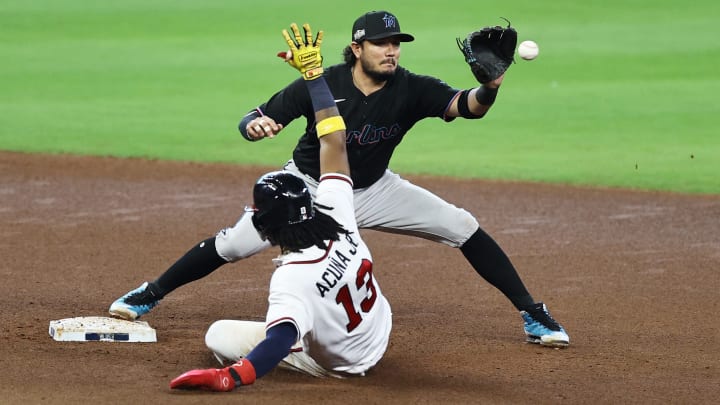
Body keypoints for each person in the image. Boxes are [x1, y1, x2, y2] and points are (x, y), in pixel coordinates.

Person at [110, 10, 569, 348]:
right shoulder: (324, 82)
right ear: (357, 49)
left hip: (375, 189)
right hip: (309, 191)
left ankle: (534, 314)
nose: (391, 50)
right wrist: (256, 127)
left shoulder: (412, 86)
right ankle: (150, 294)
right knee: (233, 245)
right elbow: (255, 117)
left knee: (462, 226)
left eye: (397, 43)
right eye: (381, 43)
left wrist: (490, 88)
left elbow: (464, 107)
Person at [169, 23, 391, 391]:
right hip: (379, 328)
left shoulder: (291, 279)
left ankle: (316, 358)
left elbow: (279, 340)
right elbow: (334, 141)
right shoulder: (337, 211)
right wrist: (315, 77)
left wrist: (231, 376)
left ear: (267, 230)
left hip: (346, 365)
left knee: (218, 334)